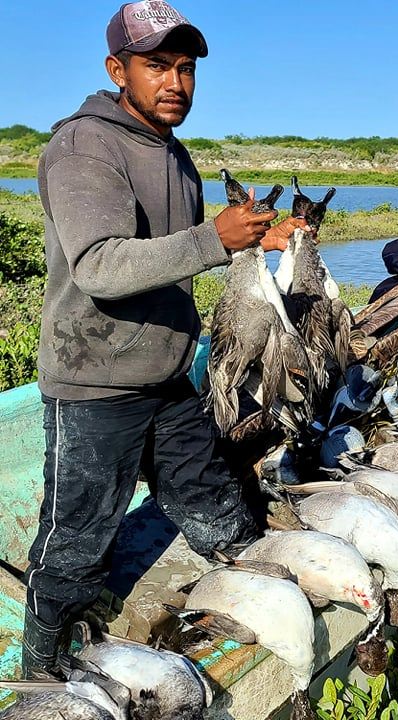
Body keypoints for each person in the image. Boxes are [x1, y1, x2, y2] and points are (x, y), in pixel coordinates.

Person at [22, 0, 305, 678]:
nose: (175, 82)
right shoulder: (86, 145)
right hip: (96, 383)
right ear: (117, 69)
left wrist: (249, 239)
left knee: (212, 500)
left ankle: (255, 597)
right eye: (157, 66)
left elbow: (178, 254)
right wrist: (215, 238)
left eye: (185, 68)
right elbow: (99, 266)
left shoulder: (175, 157)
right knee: (77, 542)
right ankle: (42, 671)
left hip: (168, 377)